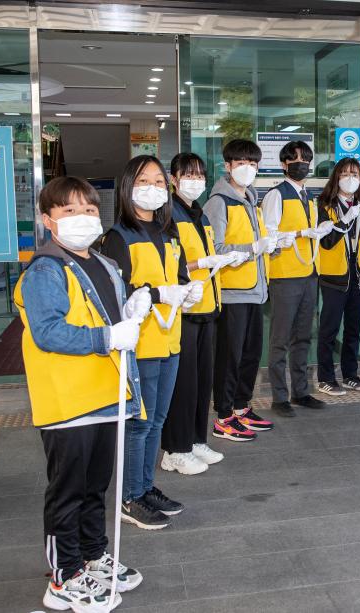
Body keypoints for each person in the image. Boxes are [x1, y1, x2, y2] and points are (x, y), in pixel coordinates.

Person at [17, 176, 146, 612]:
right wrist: (109, 336)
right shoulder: (46, 270)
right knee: (68, 491)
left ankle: (92, 556)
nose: (83, 218)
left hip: (105, 394)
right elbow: (49, 332)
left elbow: (107, 315)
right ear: (47, 220)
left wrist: (130, 310)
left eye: (89, 209)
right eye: (69, 210)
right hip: (67, 401)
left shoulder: (103, 264)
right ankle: (64, 576)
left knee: (95, 487)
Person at [102, 155, 201, 530]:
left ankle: (144, 487)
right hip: (139, 345)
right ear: (128, 186)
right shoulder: (118, 237)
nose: (154, 188)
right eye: (144, 180)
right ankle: (130, 497)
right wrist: (158, 294)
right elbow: (115, 292)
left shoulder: (168, 231)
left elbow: (177, 276)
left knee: (157, 420)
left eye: (159, 181)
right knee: (139, 424)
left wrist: (186, 292)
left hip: (169, 340)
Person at [160, 153, 247, 476]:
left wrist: (219, 261)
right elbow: (166, 263)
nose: (195, 181)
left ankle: (196, 440)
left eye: (199, 175)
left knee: (200, 382)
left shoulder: (199, 214)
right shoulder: (167, 214)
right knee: (182, 385)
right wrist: (200, 265)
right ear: (173, 179)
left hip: (207, 306)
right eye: (188, 175)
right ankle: (175, 449)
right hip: (183, 309)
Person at [203, 139, 277, 440]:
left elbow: (257, 245)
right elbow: (216, 248)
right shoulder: (218, 203)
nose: (247, 168)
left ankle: (241, 407)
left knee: (250, 355)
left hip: (254, 290)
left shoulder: (250, 200)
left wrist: (271, 245)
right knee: (229, 358)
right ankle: (223, 416)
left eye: (252, 163)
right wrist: (253, 248)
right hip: (232, 293)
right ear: (227, 165)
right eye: (241, 163)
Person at [261, 140, 333, 416]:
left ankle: (301, 391)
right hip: (285, 274)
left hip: (309, 274)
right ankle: (279, 397)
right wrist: (302, 234)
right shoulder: (276, 195)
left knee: (303, 336)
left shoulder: (309, 196)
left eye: (305, 159)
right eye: (295, 160)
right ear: (284, 164)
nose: (301, 164)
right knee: (280, 339)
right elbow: (269, 235)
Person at [315, 158, 360, 395]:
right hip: (334, 276)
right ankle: (325, 378)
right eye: (345, 173)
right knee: (329, 329)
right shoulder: (324, 205)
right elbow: (326, 242)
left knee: (354, 328)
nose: (350, 178)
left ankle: (350, 375)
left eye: (355, 174)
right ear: (336, 177)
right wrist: (344, 220)